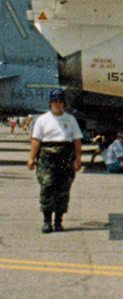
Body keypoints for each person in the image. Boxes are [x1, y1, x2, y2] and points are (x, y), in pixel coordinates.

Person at [27, 89, 83, 233]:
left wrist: (78, 159)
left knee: (63, 189)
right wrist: (31, 158)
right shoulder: (42, 120)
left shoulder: (70, 119)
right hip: (47, 157)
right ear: (49, 103)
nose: (57, 104)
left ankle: (58, 221)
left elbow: (77, 141)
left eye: (60, 102)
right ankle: (47, 221)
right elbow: (36, 140)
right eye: (54, 102)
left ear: (64, 104)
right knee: (47, 188)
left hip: (65, 156)